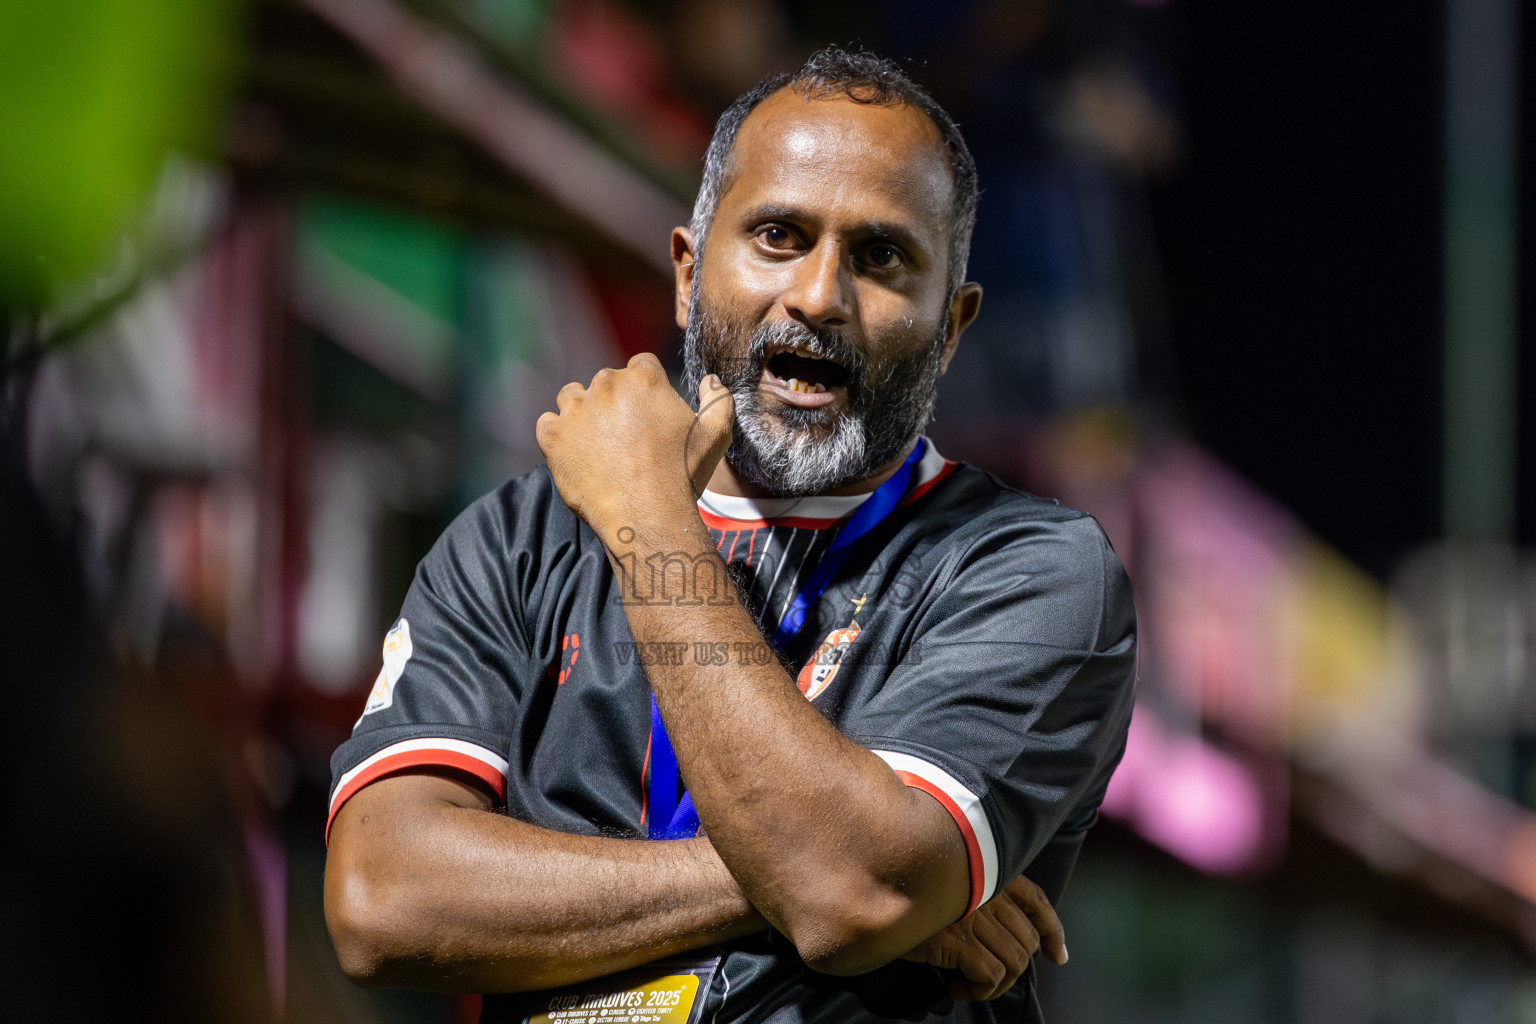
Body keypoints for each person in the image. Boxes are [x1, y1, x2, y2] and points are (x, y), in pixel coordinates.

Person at [324, 47, 1135, 1023]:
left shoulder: (1033, 569)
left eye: (881, 257)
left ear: (951, 326)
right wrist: (816, 879)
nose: (820, 295)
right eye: (780, 235)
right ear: (687, 271)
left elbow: (850, 890)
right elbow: (382, 900)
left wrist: (648, 521)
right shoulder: (517, 541)